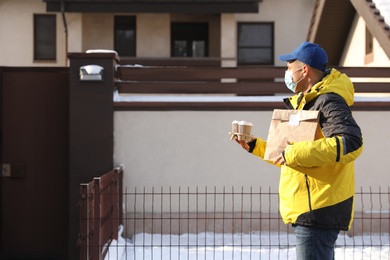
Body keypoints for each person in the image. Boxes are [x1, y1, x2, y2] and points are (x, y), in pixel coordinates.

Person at [235, 41, 363, 260]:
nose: (286, 73)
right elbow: (289, 152)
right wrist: (255, 146)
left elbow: (350, 142)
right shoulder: (309, 102)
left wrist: (292, 153)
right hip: (311, 208)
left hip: (319, 208)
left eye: (288, 67)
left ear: (304, 70)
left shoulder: (328, 101)